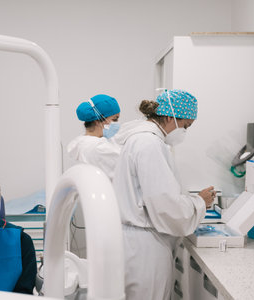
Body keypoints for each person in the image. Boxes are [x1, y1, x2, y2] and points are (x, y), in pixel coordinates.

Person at [112, 89, 215, 300]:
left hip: (134, 242)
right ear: (170, 117)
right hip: (144, 248)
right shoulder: (149, 144)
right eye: (186, 126)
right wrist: (199, 202)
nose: (185, 132)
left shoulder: (140, 140)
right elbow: (165, 205)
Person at [67, 94, 121, 180]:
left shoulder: (79, 143)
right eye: (115, 119)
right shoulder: (100, 148)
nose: (117, 123)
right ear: (98, 121)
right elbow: (127, 170)